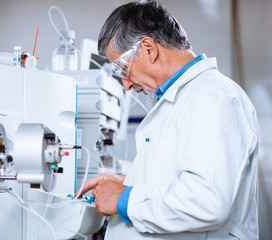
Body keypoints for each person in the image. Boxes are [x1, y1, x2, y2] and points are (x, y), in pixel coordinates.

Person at [76, 1, 259, 239]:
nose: (127, 84)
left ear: (149, 49)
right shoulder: (182, 98)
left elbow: (208, 201)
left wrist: (124, 199)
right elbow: (182, 179)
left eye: (123, 69)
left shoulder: (214, 96)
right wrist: (131, 181)